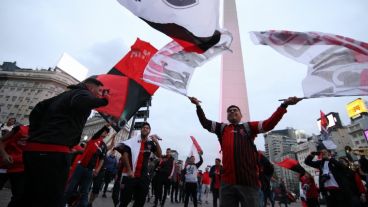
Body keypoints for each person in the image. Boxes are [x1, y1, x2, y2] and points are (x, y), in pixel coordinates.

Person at [189, 96, 301, 206]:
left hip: (249, 183)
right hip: (227, 184)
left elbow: (269, 123)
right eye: (229, 111)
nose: (232, 112)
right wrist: (198, 106)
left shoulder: (249, 127)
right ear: (227, 116)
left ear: (241, 115)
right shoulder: (222, 129)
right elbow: (205, 123)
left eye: (235, 110)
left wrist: (284, 105)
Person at [23, 77, 109, 207]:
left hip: (33, 150)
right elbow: (83, 101)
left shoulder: (64, 95)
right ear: (90, 88)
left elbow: (38, 108)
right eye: (100, 90)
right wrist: (104, 100)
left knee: (26, 195)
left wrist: (34, 133)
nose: (100, 93)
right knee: (52, 198)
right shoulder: (82, 93)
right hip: (54, 153)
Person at [114, 122, 162, 207]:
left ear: (149, 131)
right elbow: (125, 155)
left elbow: (159, 154)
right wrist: (129, 170)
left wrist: (156, 142)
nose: (145, 129)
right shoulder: (132, 141)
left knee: (140, 202)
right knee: (124, 201)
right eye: (143, 127)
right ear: (141, 129)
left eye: (147, 128)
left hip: (143, 177)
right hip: (131, 176)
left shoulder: (150, 143)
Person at [62, 125, 110, 207]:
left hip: (90, 171)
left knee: (85, 192)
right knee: (70, 188)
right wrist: (106, 125)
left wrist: (97, 170)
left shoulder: (104, 146)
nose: (104, 133)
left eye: (106, 132)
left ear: (106, 135)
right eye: (103, 131)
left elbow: (102, 159)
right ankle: (62, 203)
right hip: (80, 167)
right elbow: (99, 132)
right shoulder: (94, 138)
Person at [0, 124, 28, 207]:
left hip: (21, 169)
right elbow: (1, 141)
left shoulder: (43, 135)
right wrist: (4, 155)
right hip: (4, 166)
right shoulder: (20, 129)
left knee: (19, 196)